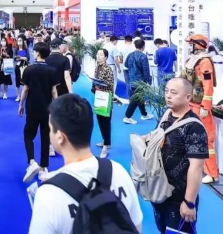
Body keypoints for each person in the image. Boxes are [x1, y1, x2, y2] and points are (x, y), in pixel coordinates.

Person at [28, 93, 142, 234]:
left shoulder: (48, 195)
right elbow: (136, 226)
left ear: (60, 137)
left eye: (50, 129)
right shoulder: (119, 172)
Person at [151, 78, 209, 234]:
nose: (168, 96)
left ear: (188, 97)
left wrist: (189, 202)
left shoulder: (194, 127)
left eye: (174, 93)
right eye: (166, 91)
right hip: (160, 192)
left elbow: (196, 168)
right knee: (163, 229)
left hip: (179, 198)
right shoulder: (166, 116)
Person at [19, 42, 58, 183]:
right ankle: (44, 167)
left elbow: (25, 89)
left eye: (34, 51)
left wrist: (20, 104)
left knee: (28, 135)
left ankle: (32, 162)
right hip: (47, 109)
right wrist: (57, 107)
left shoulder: (29, 69)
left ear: (37, 53)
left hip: (32, 107)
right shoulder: (52, 71)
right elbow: (54, 91)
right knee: (45, 137)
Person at [183, 34, 218, 184]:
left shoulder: (205, 62)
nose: (189, 46)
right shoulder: (193, 59)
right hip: (190, 103)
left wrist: (205, 106)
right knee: (191, 137)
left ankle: (212, 173)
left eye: (191, 43)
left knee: (206, 139)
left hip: (199, 106)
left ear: (197, 45)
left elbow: (208, 86)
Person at [123, 39, 154, 124]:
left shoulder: (130, 55)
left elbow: (125, 65)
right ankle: (127, 116)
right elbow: (146, 70)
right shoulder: (143, 56)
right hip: (140, 81)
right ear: (143, 46)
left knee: (140, 98)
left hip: (132, 79)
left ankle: (144, 114)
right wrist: (148, 81)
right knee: (136, 99)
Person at [93, 48, 115, 158]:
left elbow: (110, 84)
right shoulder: (97, 67)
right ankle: (105, 140)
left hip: (106, 98)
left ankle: (106, 147)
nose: (99, 56)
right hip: (98, 96)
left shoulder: (108, 69)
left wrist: (100, 84)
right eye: (98, 54)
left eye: (101, 55)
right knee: (100, 120)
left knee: (106, 122)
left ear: (106, 57)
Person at [14, 35, 30, 101]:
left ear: (23, 41)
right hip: (18, 67)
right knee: (17, 81)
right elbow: (15, 58)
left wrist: (21, 58)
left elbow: (28, 58)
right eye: (18, 40)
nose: (19, 42)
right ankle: (18, 96)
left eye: (20, 40)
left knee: (25, 81)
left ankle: (25, 94)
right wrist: (18, 58)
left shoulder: (26, 49)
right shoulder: (16, 49)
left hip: (25, 66)